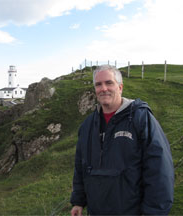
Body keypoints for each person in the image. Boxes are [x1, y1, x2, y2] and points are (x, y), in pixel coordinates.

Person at [70, 65, 174, 215]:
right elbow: (80, 166)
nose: (103, 88)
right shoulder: (87, 125)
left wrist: (154, 212)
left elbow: (160, 169)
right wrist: (78, 201)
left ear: (120, 87)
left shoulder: (141, 118)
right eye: (98, 84)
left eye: (109, 83)